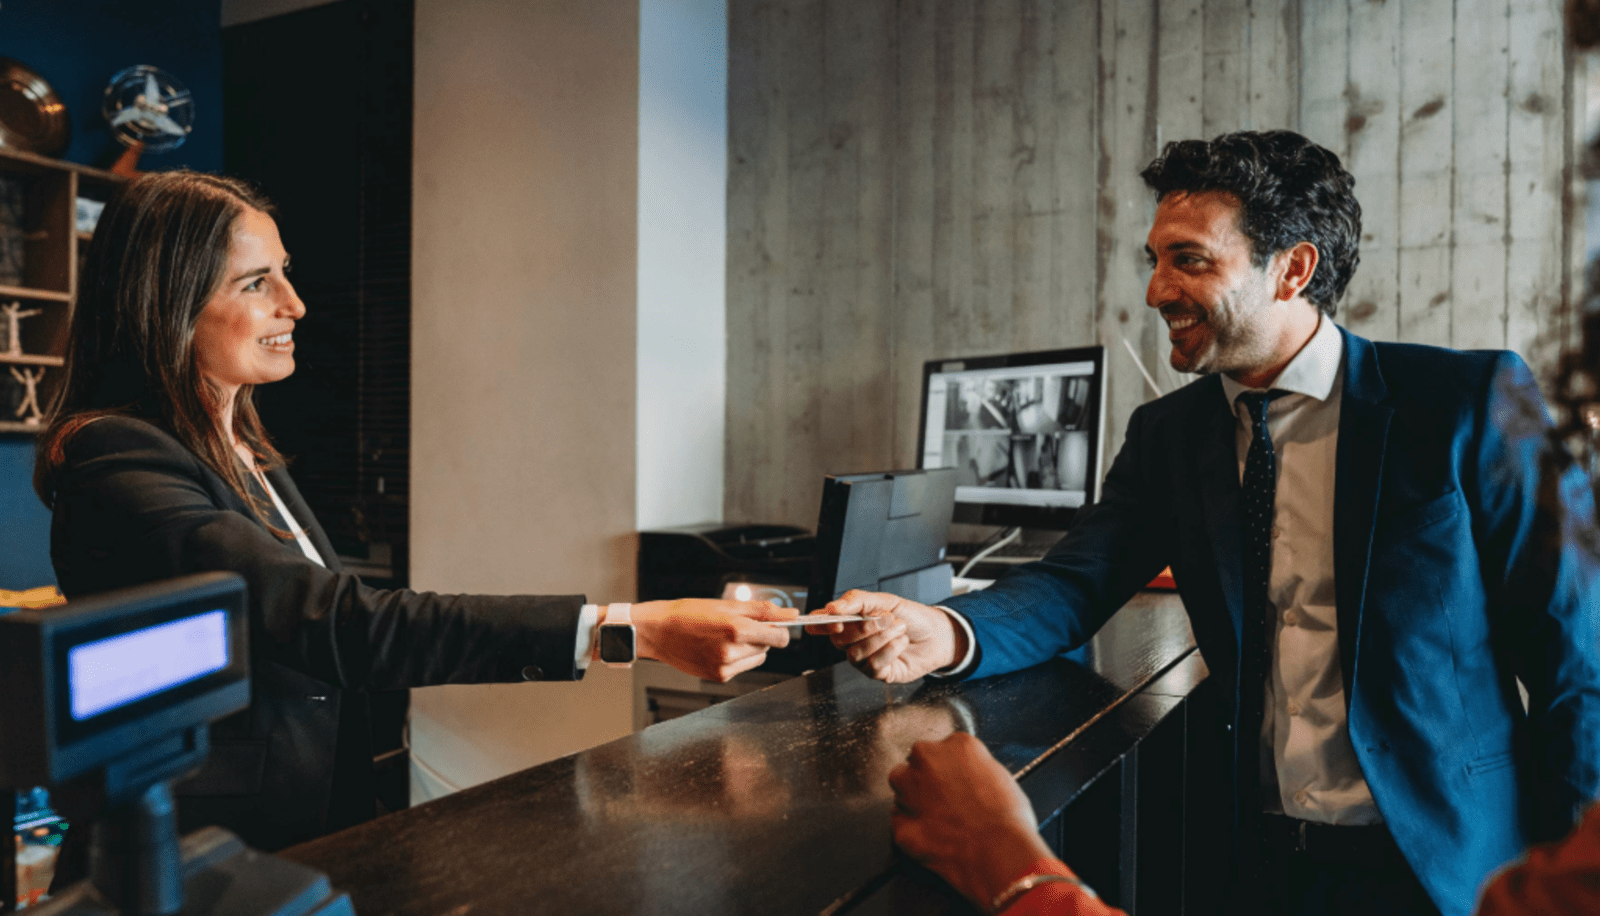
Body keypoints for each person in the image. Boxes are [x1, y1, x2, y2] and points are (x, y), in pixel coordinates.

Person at [814, 130, 1600, 916]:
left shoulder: (1467, 400)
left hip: (1452, 868)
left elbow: (1580, 664)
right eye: (1154, 259)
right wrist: (944, 630)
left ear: (1293, 269)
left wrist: (1569, 880)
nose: (1156, 290)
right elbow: (1072, 581)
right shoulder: (1167, 436)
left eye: (1189, 259)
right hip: (1253, 867)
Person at [34, 171, 796, 852]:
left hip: (308, 827)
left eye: (286, 276)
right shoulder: (117, 457)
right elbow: (337, 623)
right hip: (198, 852)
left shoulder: (241, 448)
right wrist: (629, 628)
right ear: (167, 304)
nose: (295, 304)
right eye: (255, 283)